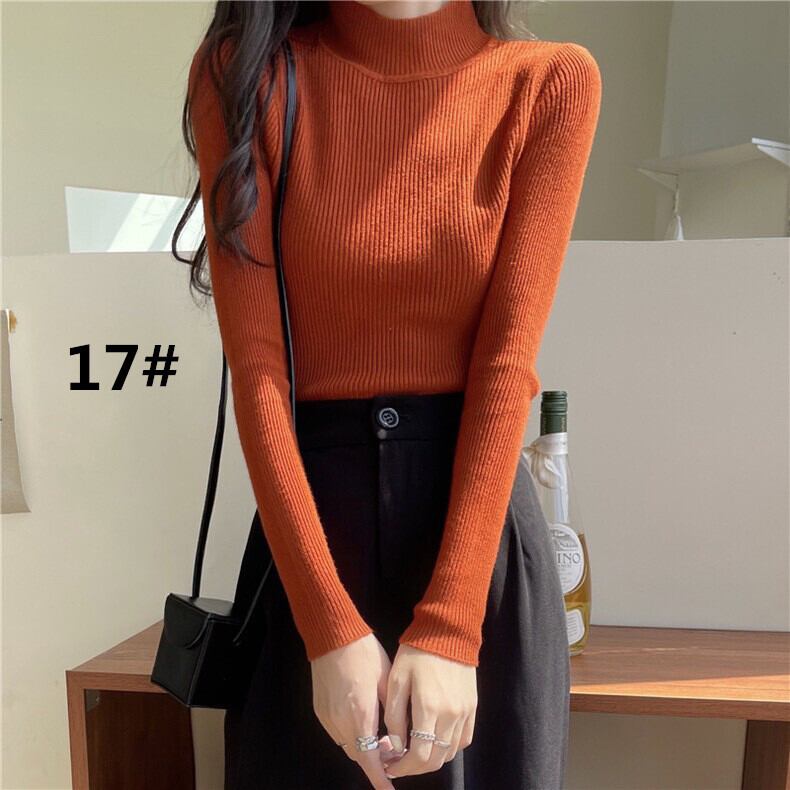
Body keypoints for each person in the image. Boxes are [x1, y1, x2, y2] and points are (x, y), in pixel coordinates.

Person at [176, 1, 602, 787]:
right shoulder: (247, 78)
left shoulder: (547, 84)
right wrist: (328, 629)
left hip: (474, 563)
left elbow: (506, 366)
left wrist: (451, 629)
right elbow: (258, 372)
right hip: (312, 562)